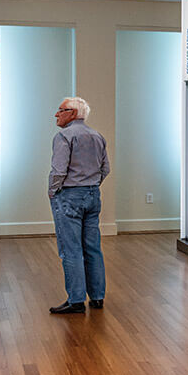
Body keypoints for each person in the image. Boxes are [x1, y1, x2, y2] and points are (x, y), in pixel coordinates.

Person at [48, 96, 110, 314]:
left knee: (71, 249)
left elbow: (58, 170)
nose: (56, 114)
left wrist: (52, 191)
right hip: (93, 195)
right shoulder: (97, 136)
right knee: (92, 248)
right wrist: (91, 185)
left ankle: (75, 300)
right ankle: (97, 297)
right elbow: (105, 169)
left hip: (70, 196)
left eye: (60, 109)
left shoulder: (64, 136)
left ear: (72, 114)